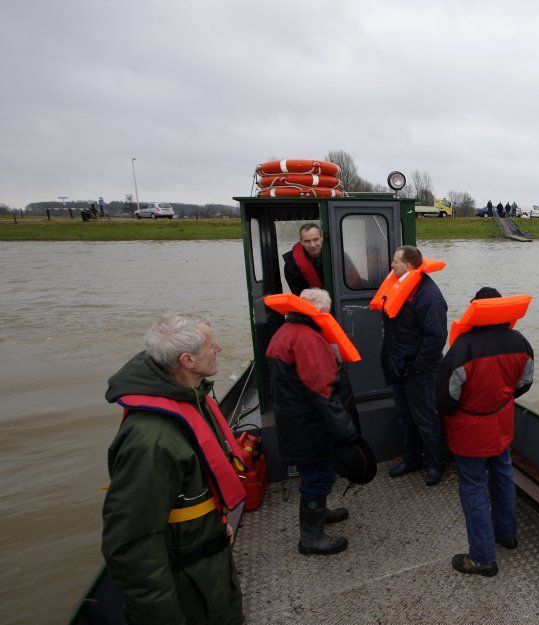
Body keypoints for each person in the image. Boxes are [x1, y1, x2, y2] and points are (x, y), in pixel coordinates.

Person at [102, 314, 245, 625]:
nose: (219, 348)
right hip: (189, 589)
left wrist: (216, 523)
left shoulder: (191, 400)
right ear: (187, 360)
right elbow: (133, 545)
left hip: (210, 567)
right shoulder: (150, 441)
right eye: (211, 345)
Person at [436, 287, 534, 576]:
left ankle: (481, 557)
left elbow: (445, 397)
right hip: (501, 425)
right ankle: (506, 535)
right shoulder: (520, 342)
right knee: (503, 476)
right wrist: (501, 399)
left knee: (474, 486)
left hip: (470, 431)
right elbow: (525, 383)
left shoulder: (463, 347)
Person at [265, 288, 360, 555]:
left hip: (294, 419)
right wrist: (347, 430)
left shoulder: (285, 333)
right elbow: (324, 392)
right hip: (309, 424)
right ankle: (311, 538)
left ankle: (321, 513)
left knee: (314, 473)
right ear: (319, 312)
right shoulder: (307, 340)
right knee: (317, 476)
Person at [380, 245, 448, 485]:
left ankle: (434, 463)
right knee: (404, 416)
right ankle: (410, 459)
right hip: (399, 366)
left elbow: (436, 338)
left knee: (426, 418)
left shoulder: (429, 296)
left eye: (394, 262)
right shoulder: (398, 287)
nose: (391, 266)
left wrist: (417, 366)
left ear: (408, 266)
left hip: (420, 371)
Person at [283, 223, 325, 295]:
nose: (312, 245)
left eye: (315, 239)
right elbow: (300, 295)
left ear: (322, 238)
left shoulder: (338, 255)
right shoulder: (291, 266)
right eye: (307, 241)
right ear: (301, 242)